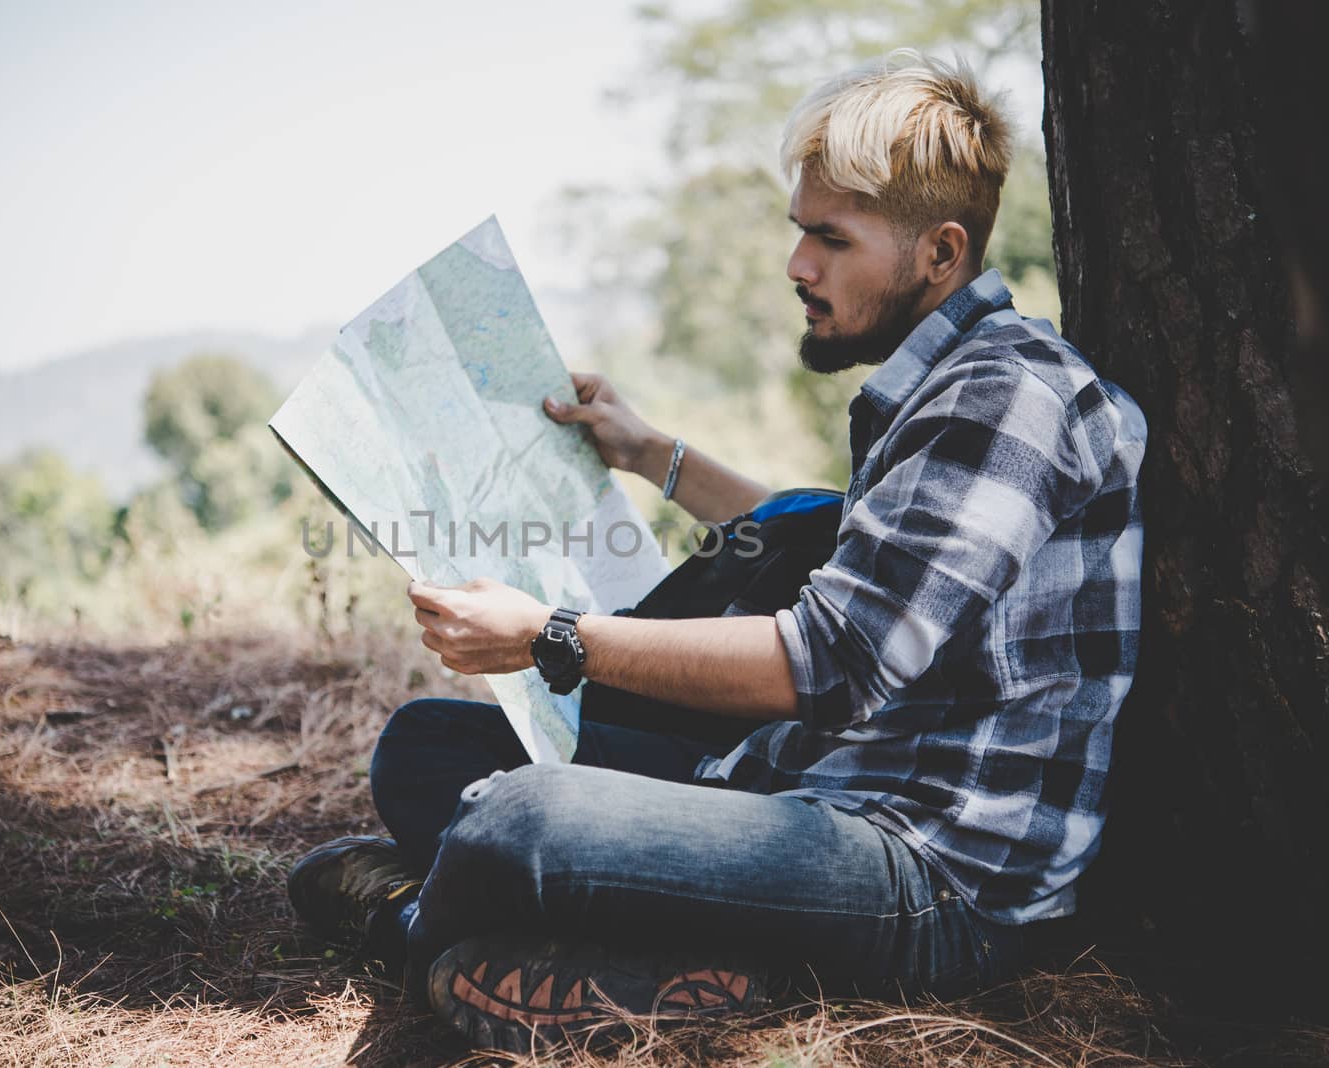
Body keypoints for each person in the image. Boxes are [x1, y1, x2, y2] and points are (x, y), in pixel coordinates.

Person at [288, 50, 1147, 1053]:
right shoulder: (955, 387)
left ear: (939, 253)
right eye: (799, 233)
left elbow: (830, 660)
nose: (798, 266)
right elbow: (822, 534)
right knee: (433, 746)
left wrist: (550, 637)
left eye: (831, 239)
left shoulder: (1009, 401)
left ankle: (413, 930)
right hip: (819, 784)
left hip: (929, 876)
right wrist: (651, 454)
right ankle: (632, 943)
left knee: (513, 822)